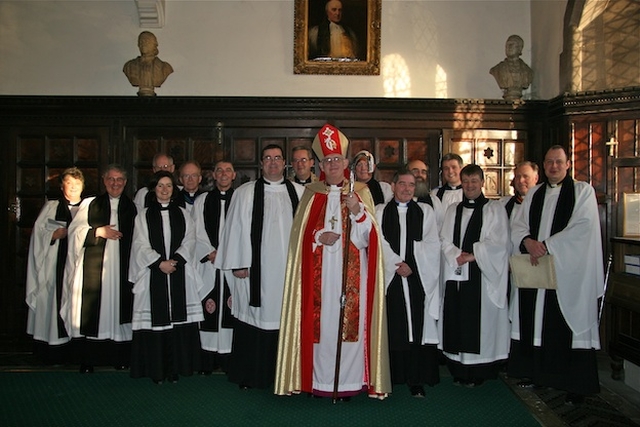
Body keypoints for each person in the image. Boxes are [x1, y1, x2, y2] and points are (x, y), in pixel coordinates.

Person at [275, 123, 391, 400]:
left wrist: (358, 212)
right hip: (319, 278)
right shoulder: (312, 194)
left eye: (337, 159)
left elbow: (370, 240)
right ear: (321, 164)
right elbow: (298, 239)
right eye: (327, 160)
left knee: (348, 328)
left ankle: (348, 384)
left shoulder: (361, 192)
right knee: (322, 329)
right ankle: (320, 384)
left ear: (346, 162)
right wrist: (317, 237)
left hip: (353, 276)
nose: (333, 164)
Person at [508, 145, 604, 405]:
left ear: (568, 164)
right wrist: (528, 241)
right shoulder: (535, 193)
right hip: (537, 269)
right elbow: (518, 224)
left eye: (558, 162)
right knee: (536, 321)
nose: (553, 166)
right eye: (549, 161)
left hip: (568, 273)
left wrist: (547, 245)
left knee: (566, 323)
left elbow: (582, 228)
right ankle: (536, 374)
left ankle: (574, 384)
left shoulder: (583, 192)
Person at [215, 144, 304, 390]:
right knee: (253, 320)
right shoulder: (245, 193)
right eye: (268, 158)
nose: (273, 162)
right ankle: (250, 376)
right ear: (261, 164)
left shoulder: (300, 192)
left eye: (277, 158)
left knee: (287, 320)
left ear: (284, 163)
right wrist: (238, 264)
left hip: (289, 273)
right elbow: (233, 229)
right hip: (254, 274)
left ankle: (289, 377)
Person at [128, 171, 204, 384]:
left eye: (168, 186)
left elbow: (190, 240)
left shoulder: (183, 214)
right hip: (154, 274)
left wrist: (176, 260)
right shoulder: (143, 215)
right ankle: (157, 371)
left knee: (177, 322)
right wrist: (158, 263)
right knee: (157, 323)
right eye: (160, 186)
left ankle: (176, 369)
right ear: (154, 189)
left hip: (178, 273)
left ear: (174, 189)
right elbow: (139, 244)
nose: (164, 190)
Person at [438, 164, 510, 387]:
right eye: (466, 181)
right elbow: (444, 239)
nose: (469, 186)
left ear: (482, 182)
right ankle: (459, 369)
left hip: (482, 276)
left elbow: (500, 242)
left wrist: (473, 255)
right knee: (457, 318)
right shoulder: (453, 210)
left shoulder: (494, 209)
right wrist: (456, 254)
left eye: (474, 181)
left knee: (480, 323)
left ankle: (480, 371)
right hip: (456, 273)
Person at [62, 164, 137, 372]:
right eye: (111, 179)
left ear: (125, 183)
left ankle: (120, 357)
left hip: (121, 271)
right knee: (93, 312)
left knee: (119, 309)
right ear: (104, 181)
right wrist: (97, 232)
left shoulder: (132, 207)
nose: (115, 183)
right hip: (93, 271)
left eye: (120, 179)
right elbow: (74, 232)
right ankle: (89, 359)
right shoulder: (90, 203)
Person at [375, 168, 441, 398]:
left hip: (416, 277)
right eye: (402, 184)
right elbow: (377, 240)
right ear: (392, 186)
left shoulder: (425, 211)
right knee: (393, 326)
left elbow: (433, 244)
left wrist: (412, 265)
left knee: (416, 328)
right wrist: (396, 263)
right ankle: (390, 377)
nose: (406, 189)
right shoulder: (380, 211)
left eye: (411, 185)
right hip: (391, 277)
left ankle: (416, 380)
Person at [26, 167, 85, 363]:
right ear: (62, 187)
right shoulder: (51, 207)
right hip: (54, 266)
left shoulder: (88, 207)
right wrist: (53, 235)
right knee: (53, 302)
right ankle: (52, 349)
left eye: (77, 184)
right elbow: (38, 234)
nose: (73, 188)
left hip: (79, 266)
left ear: (82, 186)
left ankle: (75, 348)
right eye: (69, 184)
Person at [192, 161, 237, 374]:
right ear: (214, 175)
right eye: (219, 170)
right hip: (209, 264)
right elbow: (195, 231)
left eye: (228, 170)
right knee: (208, 308)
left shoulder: (241, 199)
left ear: (234, 175)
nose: (224, 174)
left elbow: (244, 230)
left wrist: (229, 255)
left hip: (232, 267)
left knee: (231, 307)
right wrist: (209, 252)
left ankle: (229, 359)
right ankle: (207, 360)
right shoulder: (202, 200)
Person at [123, 31, 174, 97]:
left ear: (154, 45)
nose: (143, 44)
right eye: (141, 41)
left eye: (147, 41)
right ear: (138, 45)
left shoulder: (164, 67)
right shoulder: (129, 66)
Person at [490, 35, 533, 101]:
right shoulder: (497, 69)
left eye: (512, 44)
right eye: (507, 45)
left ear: (519, 49)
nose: (509, 47)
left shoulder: (528, 71)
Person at [407, 159, 443, 228]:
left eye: (423, 172)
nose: (420, 175)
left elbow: (439, 227)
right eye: (415, 171)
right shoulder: (398, 199)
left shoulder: (434, 201)